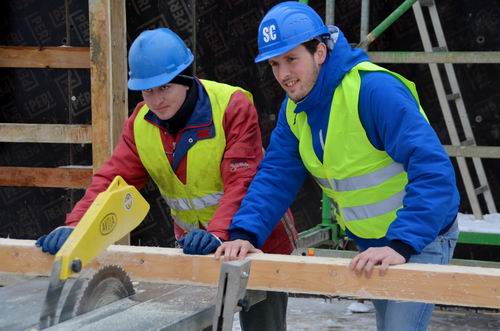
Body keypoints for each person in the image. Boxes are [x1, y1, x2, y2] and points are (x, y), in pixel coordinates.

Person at [215, 2, 460, 331]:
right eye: (274, 64)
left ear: (319, 52)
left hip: (421, 237)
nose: (283, 75)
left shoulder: (373, 91)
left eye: (291, 59)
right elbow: (275, 177)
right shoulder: (295, 110)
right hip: (374, 243)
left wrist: (402, 243)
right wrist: (244, 232)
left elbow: (433, 171)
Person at [35, 27, 295, 331]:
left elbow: (243, 179)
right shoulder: (140, 123)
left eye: (164, 88)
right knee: (197, 323)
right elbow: (113, 180)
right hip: (193, 249)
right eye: (147, 91)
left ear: (185, 79)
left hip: (255, 240)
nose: (156, 100)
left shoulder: (231, 106)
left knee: (265, 325)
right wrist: (76, 226)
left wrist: (219, 233)